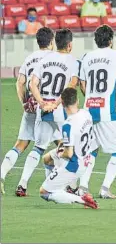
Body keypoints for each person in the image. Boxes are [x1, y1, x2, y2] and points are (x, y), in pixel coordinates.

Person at [15, 29, 79, 197]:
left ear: (55, 42)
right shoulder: (72, 61)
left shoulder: (45, 59)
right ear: (70, 44)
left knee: (38, 147)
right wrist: (56, 103)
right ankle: (71, 185)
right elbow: (72, 84)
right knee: (69, 146)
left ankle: (22, 184)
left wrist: (42, 103)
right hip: (60, 110)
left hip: (42, 110)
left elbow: (32, 84)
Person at [0, 28, 59, 194]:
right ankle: (27, 184)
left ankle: (2, 173)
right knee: (57, 144)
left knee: (21, 144)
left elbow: (19, 82)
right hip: (49, 107)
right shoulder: (55, 58)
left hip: (31, 106)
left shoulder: (30, 58)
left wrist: (24, 103)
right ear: (51, 41)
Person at [76, 25, 116, 199]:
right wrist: (113, 105)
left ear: (96, 41)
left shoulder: (86, 57)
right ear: (111, 40)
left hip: (88, 111)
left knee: (90, 150)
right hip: (107, 112)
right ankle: (105, 188)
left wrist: (90, 99)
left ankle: (82, 187)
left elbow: (82, 84)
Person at [39, 87, 98, 209]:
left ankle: (81, 199)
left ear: (63, 104)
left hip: (74, 164)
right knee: (47, 159)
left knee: (44, 192)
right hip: (85, 157)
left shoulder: (68, 125)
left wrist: (61, 154)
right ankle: (56, 185)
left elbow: (69, 153)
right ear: (77, 101)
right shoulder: (86, 114)